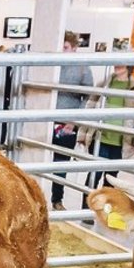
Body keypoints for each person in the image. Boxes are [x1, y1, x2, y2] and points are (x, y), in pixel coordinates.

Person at [51, 31, 96, 209]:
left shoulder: (82, 67)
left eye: (66, 47)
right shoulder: (51, 64)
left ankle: (57, 200)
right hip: (45, 119)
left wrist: (74, 121)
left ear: (75, 48)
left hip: (66, 123)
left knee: (60, 163)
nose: (62, 50)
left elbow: (88, 97)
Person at [82, 63, 134, 190]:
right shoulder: (103, 83)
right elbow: (90, 108)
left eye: (121, 63)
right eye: (116, 63)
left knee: (111, 178)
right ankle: (87, 207)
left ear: (129, 66)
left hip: (121, 141)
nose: (117, 65)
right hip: (100, 138)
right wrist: (83, 133)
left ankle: (105, 208)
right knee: (94, 174)